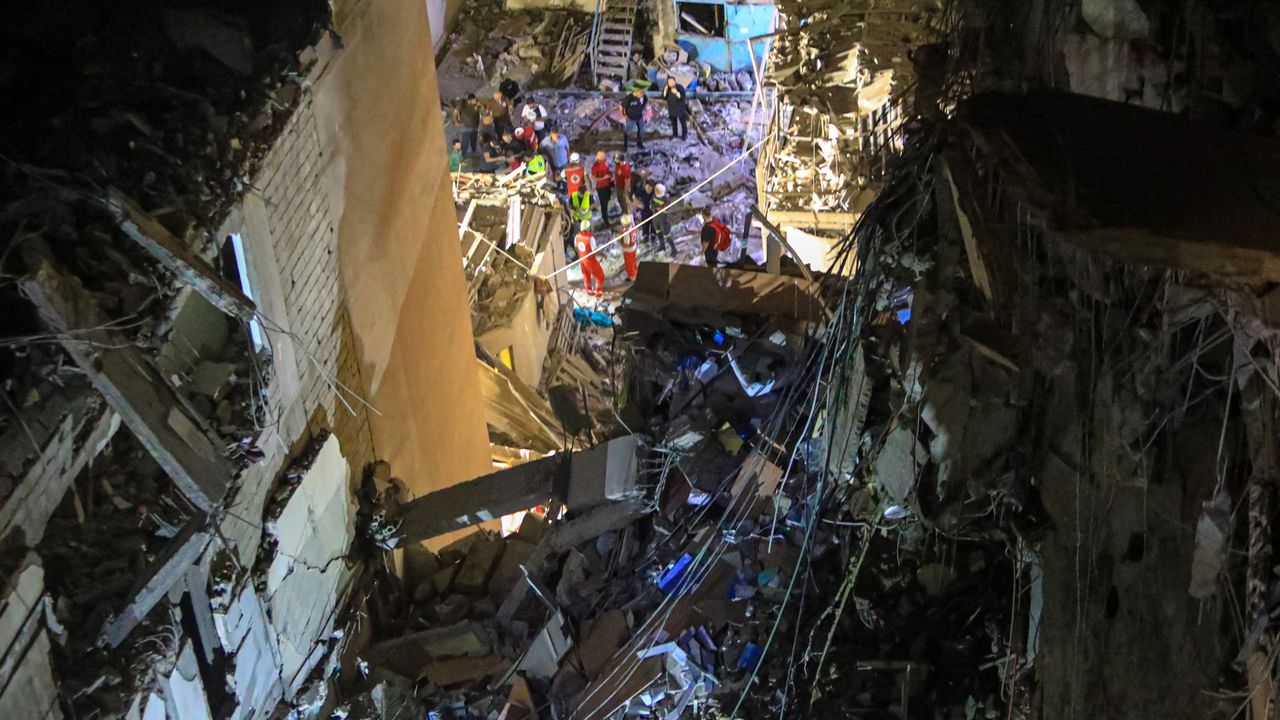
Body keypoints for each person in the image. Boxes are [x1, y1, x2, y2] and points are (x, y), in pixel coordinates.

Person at [574, 220, 606, 299]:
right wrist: (602, 254)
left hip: (582, 259)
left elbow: (576, 247)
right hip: (590, 261)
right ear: (589, 228)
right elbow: (594, 251)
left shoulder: (577, 236)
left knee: (586, 275)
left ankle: (588, 290)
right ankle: (598, 292)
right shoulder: (590, 238)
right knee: (600, 275)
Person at [651, 183, 676, 255]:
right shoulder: (654, 195)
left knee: (666, 235)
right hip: (655, 217)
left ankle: (674, 249)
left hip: (663, 219)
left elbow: (668, 210)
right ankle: (662, 246)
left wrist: (662, 209)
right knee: (658, 232)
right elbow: (651, 204)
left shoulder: (666, 199)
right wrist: (655, 208)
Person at [591, 151, 614, 225]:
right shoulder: (595, 167)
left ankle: (607, 212)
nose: (605, 159)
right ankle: (605, 218)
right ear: (599, 159)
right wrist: (604, 178)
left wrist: (610, 175)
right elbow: (594, 178)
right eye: (603, 159)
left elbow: (607, 170)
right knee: (603, 203)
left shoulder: (605, 162)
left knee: (607, 199)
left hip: (608, 184)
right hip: (601, 187)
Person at [633, 178, 655, 246]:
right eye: (648, 187)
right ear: (645, 186)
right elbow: (634, 196)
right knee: (645, 227)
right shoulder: (642, 191)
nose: (649, 189)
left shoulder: (654, 193)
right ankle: (645, 239)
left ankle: (653, 239)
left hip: (653, 213)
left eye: (651, 188)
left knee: (653, 227)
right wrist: (638, 204)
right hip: (644, 213)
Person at [619, 214, 639, 281]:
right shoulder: (633, 226)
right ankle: (635, 271)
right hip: (634, 247)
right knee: (633, 261)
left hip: (628, 250)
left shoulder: (626, 233)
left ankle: (632, 277)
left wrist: (620, 242)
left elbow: (626, 244)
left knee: (629, 264)